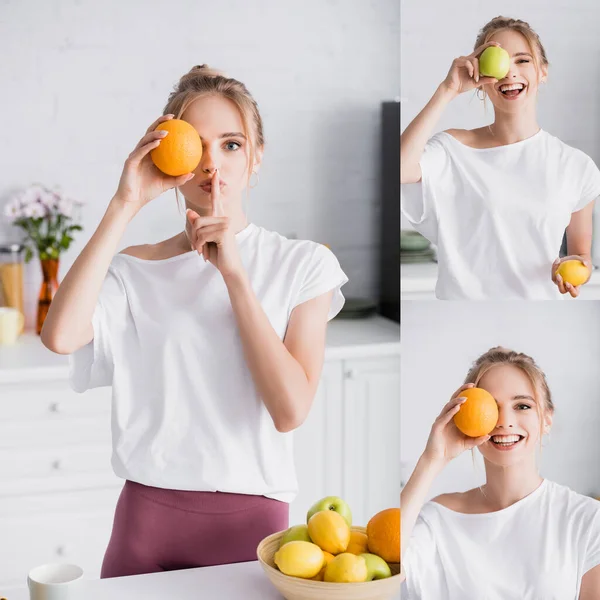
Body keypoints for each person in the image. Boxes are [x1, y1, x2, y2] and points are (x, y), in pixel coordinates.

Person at [40, 64, 348, 577]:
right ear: (167, 157)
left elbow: (290, 409)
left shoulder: (304, 264)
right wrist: (126, 202)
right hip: (143, 526)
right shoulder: (136, 268)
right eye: (196, 146)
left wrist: (234, 276)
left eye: (230, 144)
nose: (212, 165)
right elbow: (60, 335)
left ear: (256, 158)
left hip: (251, 533)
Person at [400, 16, 600, 300]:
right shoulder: (451, 150)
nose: (509, 73)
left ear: (543, 71)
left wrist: (574, 265)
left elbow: (581, 255)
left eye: (522, 60)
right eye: (500, 62)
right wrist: (448, 90)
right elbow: (398, 169)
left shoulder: (576, 166)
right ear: (481, 79)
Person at [400, 347, 600, 599]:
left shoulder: (587, 520)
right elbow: (389, 570)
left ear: (547, 419)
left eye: (522, 406)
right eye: (491, 407)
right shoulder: (437, 520)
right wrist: (432, 460)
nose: (504, 421)